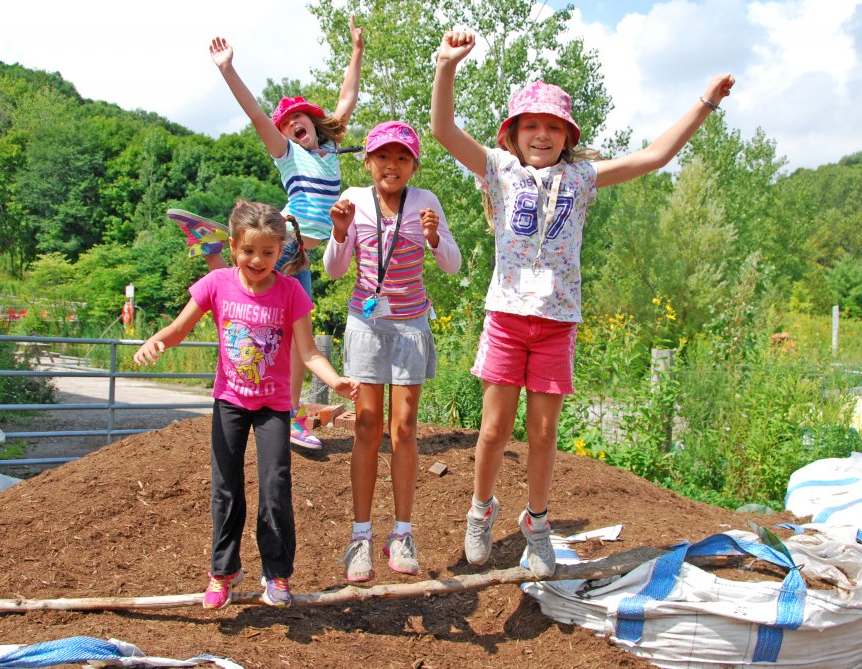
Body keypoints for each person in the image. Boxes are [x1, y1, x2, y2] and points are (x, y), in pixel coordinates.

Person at [430, 30, 735, 578]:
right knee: (495, 430)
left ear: (567, 136)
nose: (541, 135)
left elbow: (654, 156)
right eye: (531, 125)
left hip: (556, 324)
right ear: (515, 133)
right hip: (506, 318)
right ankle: (481, 509)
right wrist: (447, 66)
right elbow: (443, 130)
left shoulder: (583, 177)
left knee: (544, 433)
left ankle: (537, 522)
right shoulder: (499, 170)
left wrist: (706, 103)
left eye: (552, 127)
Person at [135, 201, 360, 608]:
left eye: (269, 253)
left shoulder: (290, 291)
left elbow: (308, 352)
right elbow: (179, 328)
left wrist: (335, 381)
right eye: (249, 251)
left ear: (281, 252)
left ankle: (277, 574)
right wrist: (157, 341)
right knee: (226, 490)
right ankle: (223, 571)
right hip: (230, 403)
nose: (258, 261)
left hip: (274, 406)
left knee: (275, 488)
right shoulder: (217, 283)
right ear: (234, 246)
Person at [176, 16, 365, 451]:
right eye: (287, 123)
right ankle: (211, 248)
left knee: (300, 328)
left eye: (300, 118)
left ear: (314, 124)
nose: (293, 124)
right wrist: (227, 69)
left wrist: (356, 52)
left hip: (301, 252)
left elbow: (347, 98)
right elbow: (255, 112)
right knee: (242, 299)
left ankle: (291, 413)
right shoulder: (288, 154)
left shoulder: (330, 149)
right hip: (288, 237)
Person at [325, 121, 461, 581]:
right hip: (366, 324)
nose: (392, 165)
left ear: (414, 166)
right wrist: (340, 233)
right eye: (384, 156)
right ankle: (359, 537)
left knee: (404, 428)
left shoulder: (426, 203)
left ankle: (401, 532)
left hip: (408, 326)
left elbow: (453, 264)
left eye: (403, 158)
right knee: (366, 426)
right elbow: (332, 269)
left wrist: (435, 237)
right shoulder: (354, 200)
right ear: (368, 162)